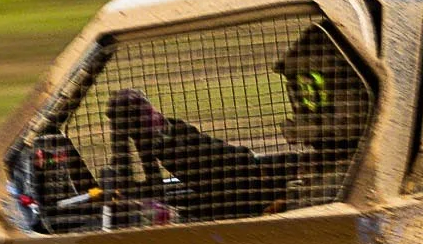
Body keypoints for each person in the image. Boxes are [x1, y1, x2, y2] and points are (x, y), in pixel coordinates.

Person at [103, 23, 369, 223]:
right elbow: (242, 176)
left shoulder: (348, 184)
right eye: (301, 91)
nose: (301, 103)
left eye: (313, 92)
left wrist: (175, 223)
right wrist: (164, 135)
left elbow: (257, 235)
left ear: (355, 93)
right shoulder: (335, 161)